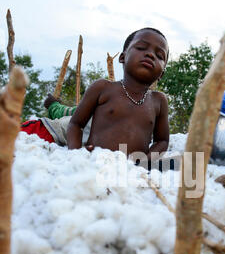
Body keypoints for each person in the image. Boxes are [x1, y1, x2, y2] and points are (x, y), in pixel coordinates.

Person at [20, 28, 173, 169]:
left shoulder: (158, 101)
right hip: (96, 164)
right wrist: (76, 154)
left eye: (159, 56)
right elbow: (75, 123)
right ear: (122, 57)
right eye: (141, 48)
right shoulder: (103, 88)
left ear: (162, 74)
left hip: (130, 172)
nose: (150, 54)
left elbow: (162, 141)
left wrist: (146, 161)